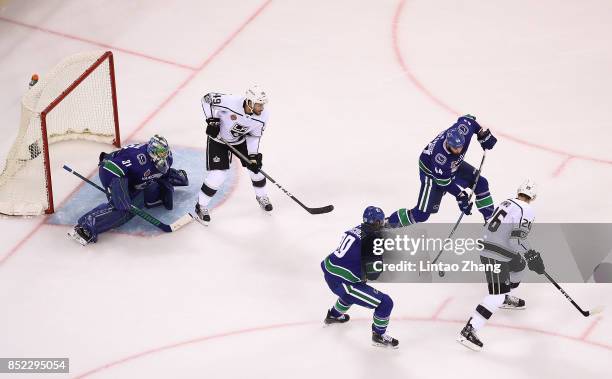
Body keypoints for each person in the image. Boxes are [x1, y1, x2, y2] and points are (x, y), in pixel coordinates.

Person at [457, 179, 545, 350]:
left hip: (493, 245)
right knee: (496, 295)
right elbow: (517, 239)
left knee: (519, 266)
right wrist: (532, 255)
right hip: (495, 252)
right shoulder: (527, 210)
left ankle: (504, 296)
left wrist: (528, 256)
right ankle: (469, 329)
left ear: (518, 191)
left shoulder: (507, 202)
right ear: (533, 197)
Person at [68, 135, 188, 245]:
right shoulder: (136, 158)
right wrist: (120, 191)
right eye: (159, 153)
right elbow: (112, 168)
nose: (163, 156)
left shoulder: (167, 158)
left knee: (151, 194)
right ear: (151, 152)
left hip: (132, 177)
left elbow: (161, 172)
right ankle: (86, 226)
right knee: (123, 209)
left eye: (164, 152)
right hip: (112, 173)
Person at [387, 115, 497, 227]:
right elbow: (443, 182)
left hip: (453, 166)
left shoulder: (463, 129)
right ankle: (387, 224)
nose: (459, 150)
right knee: (421, 215)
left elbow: (469, 120)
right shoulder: (440, 158)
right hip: (430, 173)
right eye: (455, 148)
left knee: (481, 183)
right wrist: (460, 196)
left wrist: (482, 134)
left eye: (460, 146)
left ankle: (489, 223)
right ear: (448, 144)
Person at [321, 206, 399, 348]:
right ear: (376, 223)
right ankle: (378, 335)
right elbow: (374, 274)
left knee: (353, 291)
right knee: (385, 303)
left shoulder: (358, 228)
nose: (382, 225)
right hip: (343, 280)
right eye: (380, 222)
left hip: (330, 269)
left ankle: (334, 315)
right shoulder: (373, 241)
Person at [193, 85, 271, 225]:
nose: (262, 108)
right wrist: (212, 120)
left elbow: (254, 136)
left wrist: (252, 156)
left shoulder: (263, 116)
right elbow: (206, 99)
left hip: (241, 140)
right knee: (218, 175)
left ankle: (262, 196)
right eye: (259, 104)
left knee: (256, 170)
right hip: (218, 139)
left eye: (262, 104)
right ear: (250, 103)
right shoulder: (230, 102)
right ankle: (201, 206)